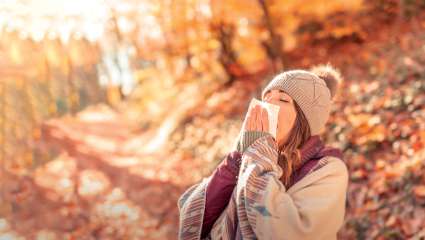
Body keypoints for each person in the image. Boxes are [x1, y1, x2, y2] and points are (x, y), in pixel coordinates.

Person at [178, 63, 349, 240]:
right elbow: (192, 215)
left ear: (305, 120)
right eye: (266, 98)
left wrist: (258, 156)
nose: (268, 105)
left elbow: (290, 232)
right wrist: (237, 158)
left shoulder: (329, 169)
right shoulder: (249, 158)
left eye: (283, 100)